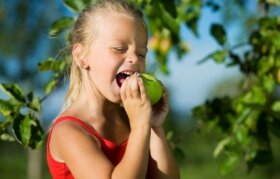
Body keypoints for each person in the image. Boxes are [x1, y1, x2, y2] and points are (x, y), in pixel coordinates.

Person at [46, 0, 180, 178]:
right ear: (81, 56)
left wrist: (154, 127)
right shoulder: (69, 132)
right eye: (119, 48)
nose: (134, 58)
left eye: (141, 53)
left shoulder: (132, 117)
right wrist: (140, 127)